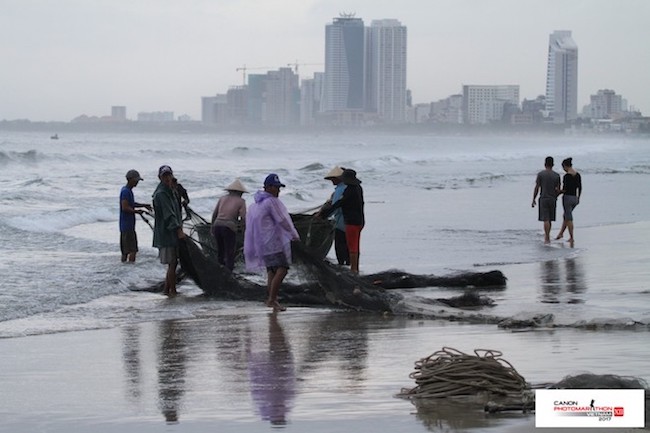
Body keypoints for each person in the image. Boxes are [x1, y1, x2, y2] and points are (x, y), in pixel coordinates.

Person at [244, 173, 300, 312]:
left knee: (271, 271)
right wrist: (294, 235)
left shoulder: (255, 205)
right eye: (276, 187)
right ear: (268, 187)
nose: (278, 190)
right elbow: (282, 220)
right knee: (282, 269)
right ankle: (272, 300)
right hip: (273, 242)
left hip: (262, 244)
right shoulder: (271, 202)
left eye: (279, 187)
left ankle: (271, 298)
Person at [152, 165, 186, 296]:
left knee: (173, 263)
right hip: (167, 234)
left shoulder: (170, 191)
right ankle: (171, 290)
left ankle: (168, 289)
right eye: (164, 176)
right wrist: (178, 230)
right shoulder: (161, 194)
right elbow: (169, 215)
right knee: (172, 263)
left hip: (171, 232)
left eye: (169, 175)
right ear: (159, 177)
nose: (167, 178)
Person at [325, 169, 364, 274]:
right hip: (359, 220)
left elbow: (338, 204)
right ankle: (354, 268)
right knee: (354, 245)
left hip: (349, 221)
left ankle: (352, 269)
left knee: (349, 246)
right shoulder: (357, 188)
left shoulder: (349, 190)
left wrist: (324, 214)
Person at [211, 178, 248, 271]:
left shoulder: (222, 198)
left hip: (217, 226)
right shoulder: (241, 201)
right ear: (240, 192)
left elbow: (215, 214)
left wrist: (212, 228)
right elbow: (243, 218)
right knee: (230, 253)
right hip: (229, 227)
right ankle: (229, 274)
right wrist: (243, 230)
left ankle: (219, 271)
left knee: (220, 251)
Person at [317, 166, 349, 265]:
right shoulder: (347, 188)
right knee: (348, 246)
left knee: (340, 245)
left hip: (341, 222)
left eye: (333, 179)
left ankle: (343, 265)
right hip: (349, 221)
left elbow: (335, 206)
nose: (331, 181)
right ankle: (349, 265)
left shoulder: (340, 189)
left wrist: (323, 215)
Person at [119, 169, 152, 262]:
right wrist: (137, 212)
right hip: (127, 226)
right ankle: (130, 271)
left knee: (125, 251)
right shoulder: (125, 191)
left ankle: (124, 270)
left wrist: (144, 205)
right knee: (133, 250)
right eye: (136, 180)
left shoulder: (127, 190)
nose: (137, 182)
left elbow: (131, 204)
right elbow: (125, 207)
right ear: (130, 179)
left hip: (125, 226)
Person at [532, 156, 561, 244]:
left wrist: (533, 199)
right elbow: (558, 190)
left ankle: (547, 237)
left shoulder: (541, 174)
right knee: (550, 219)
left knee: (546, 219)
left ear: (545, 164)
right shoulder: (557, 175)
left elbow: (537, 187)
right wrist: (556, 196)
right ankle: (548, 235)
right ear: (553, 165)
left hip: (543, 198)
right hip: (552, 198)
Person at [555, 157, 582, 243]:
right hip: (575, 198)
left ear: (565, 166)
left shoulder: (567, 176)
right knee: (566, 216)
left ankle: (571, 237)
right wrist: (578, 198)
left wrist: (558, 192)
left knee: (569, 218)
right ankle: (561, 233)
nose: (564, 169)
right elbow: (580, 187)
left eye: (563, 167)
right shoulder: (577, 175)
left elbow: (565, 189)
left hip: (567, 198)